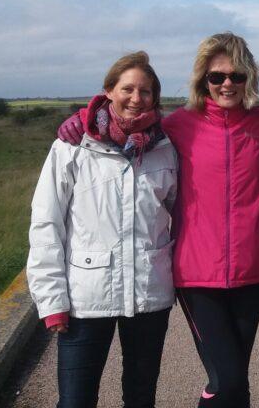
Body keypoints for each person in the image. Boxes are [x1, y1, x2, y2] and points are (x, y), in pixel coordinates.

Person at [57, 33, 259, 407]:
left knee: (235, 378)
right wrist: (84, 119)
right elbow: (126, 121)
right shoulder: (178, 127)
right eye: (217, 76)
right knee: (229, 381)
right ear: (202, 80)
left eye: (236, 76)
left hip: (252, 271)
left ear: (249, 78)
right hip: (197, 274)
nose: (227, 84)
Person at [27, 51, 178, 408]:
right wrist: (51, 300)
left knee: (141, 399)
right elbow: (46, 223)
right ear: (108, 91)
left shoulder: (166, 149)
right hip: (86, 299)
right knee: (76, 401)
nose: (136, 99)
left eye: (145, 91)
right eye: (127, 89)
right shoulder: (72, 146)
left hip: (148, 294)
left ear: (155, 98)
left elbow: (185, 214)